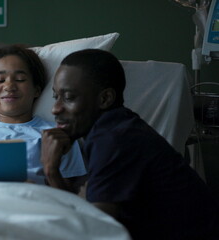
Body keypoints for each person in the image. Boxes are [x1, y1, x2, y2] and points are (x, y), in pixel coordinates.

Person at [42, 48, 219, 239]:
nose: (55, 108)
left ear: (105, 99)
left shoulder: (112, 139)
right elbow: (88, 214)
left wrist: (51, 171)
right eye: (55, 96)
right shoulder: (117, 127)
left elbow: (96, 232)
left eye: (68, 98)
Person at [0, 44, 86, 192]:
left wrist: (50, 172)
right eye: (0, 80)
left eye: (20, 79)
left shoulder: (55, 135)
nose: (9, 86)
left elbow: (72, 198)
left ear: (36, 90)